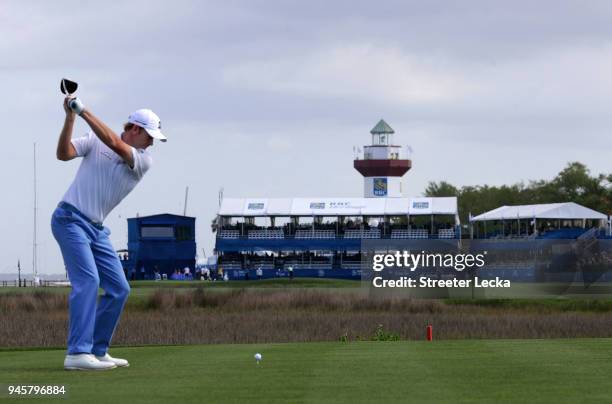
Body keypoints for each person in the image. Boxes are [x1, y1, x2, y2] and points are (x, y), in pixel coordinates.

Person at [51, 95, 167, 371]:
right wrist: (69, 117)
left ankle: (97, 350)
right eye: (149, 136)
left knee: (119, 288)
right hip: (69, 219)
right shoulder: (93, 140)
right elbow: (63, 153)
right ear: (135, 129)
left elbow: (115, 143)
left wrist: (82, 111)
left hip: (97, 230)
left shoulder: (143, 160)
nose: (152, 142)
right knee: (88, 281)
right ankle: (77, 354)